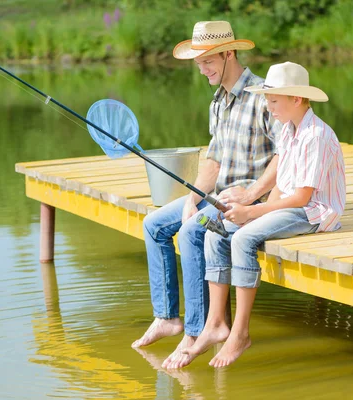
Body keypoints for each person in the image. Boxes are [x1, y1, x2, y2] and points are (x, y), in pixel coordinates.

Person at [169, 61, 346, 368]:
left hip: (314, 212)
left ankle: (240, 333)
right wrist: (249, 213)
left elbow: (302, 197)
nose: (269, 106)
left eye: (273, 100)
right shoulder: (290, 131)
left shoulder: (315, 135)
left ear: (297, 99)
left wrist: (251, 212)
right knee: (216, 231)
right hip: (291, 204)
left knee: (244, 240)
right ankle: (214, 325)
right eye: (266, 99)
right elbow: (281, 186)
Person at [131, 21, 283, 368]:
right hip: (216, 195)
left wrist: (252, 193)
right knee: (154, 223)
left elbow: (284, 154)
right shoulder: (217, 101)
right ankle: (168, 318)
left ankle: (198, 330)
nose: (202, 70)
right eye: (198, 63)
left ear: (229, 53)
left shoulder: (262, 95)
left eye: (208, 62)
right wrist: (192, 197)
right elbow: (213, 158)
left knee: (190, 232)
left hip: (248, 201)